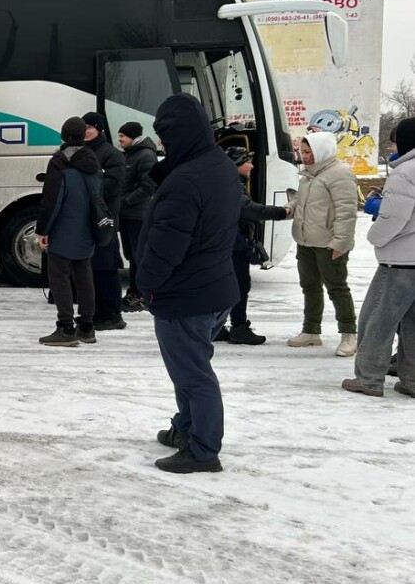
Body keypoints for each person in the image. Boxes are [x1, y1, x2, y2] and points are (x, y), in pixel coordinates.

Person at [138, 93, 241, 474]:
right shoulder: (219, 165)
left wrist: (145, 285)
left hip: (185, 295)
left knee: (193, 374)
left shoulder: (185, 181)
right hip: (215, 287)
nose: (161, 142)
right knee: (190, 366)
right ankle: (186, 427)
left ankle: (203, 449)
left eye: (165, 135)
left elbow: (166, 247)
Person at [343, 118, 415, 398]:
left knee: (377, 320)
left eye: (394, 142)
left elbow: (394, 217)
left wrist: (374, 237)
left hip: (399, 261)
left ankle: (369, 378)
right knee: (412, 324)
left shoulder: (405, 172)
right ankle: (412, 380)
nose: (391, 147)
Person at [287, 131, 358, 357]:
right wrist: (290, 208)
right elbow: (302, 201)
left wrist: (340, 243)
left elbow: (346, 212)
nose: (304, 156)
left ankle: (349, 334)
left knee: (337, 289)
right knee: (309, 287)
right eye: (302, 152)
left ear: (321, 151)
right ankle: (311, 331)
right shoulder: (308, 175)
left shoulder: (340, 174)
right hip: (306, 241)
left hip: (329, 244)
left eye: (308, 152)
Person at [214, 147, 289, 346]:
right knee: (239, 286)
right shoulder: (230, 186)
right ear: (236, 164)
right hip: (233, 244)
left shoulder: (225, 181)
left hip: (227, 242)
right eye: (248, 162)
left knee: (224, 286)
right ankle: (238, 328)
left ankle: (216, 327)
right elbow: (248, 209)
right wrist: (282, 212)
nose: (252, 166)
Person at [36, 118, 100, 346]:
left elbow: (51, 200)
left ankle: (66, 327)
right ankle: (87, 326)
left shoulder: (59, 162)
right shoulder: (93, 160)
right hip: (87, 226)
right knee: (84, 275)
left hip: (63, 227)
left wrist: (43, 230)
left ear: (63, 135)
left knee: (60, 277)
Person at [82, 111, 126, 330]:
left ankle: (112, 314)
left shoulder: (111, 154)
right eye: (83, 127)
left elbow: (111, 186)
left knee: (106, 267)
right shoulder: (83, 151)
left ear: (99, 129)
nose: (86, 131)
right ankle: (98, 311)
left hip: (104, 220)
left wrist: (84, 190)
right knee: (91, 268)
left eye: (90, 127)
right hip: (87, 219)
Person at [117, 122, 157, 312]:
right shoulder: (131, 154)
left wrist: (126, 201)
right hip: (127, 214)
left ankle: (141, 295)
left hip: (137, 214)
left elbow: (149, 186)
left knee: (138, 255)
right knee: (132, 255)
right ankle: (135, 292)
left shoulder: (146, 155)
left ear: (133, 137)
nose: (119, 140)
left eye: (122, 136)